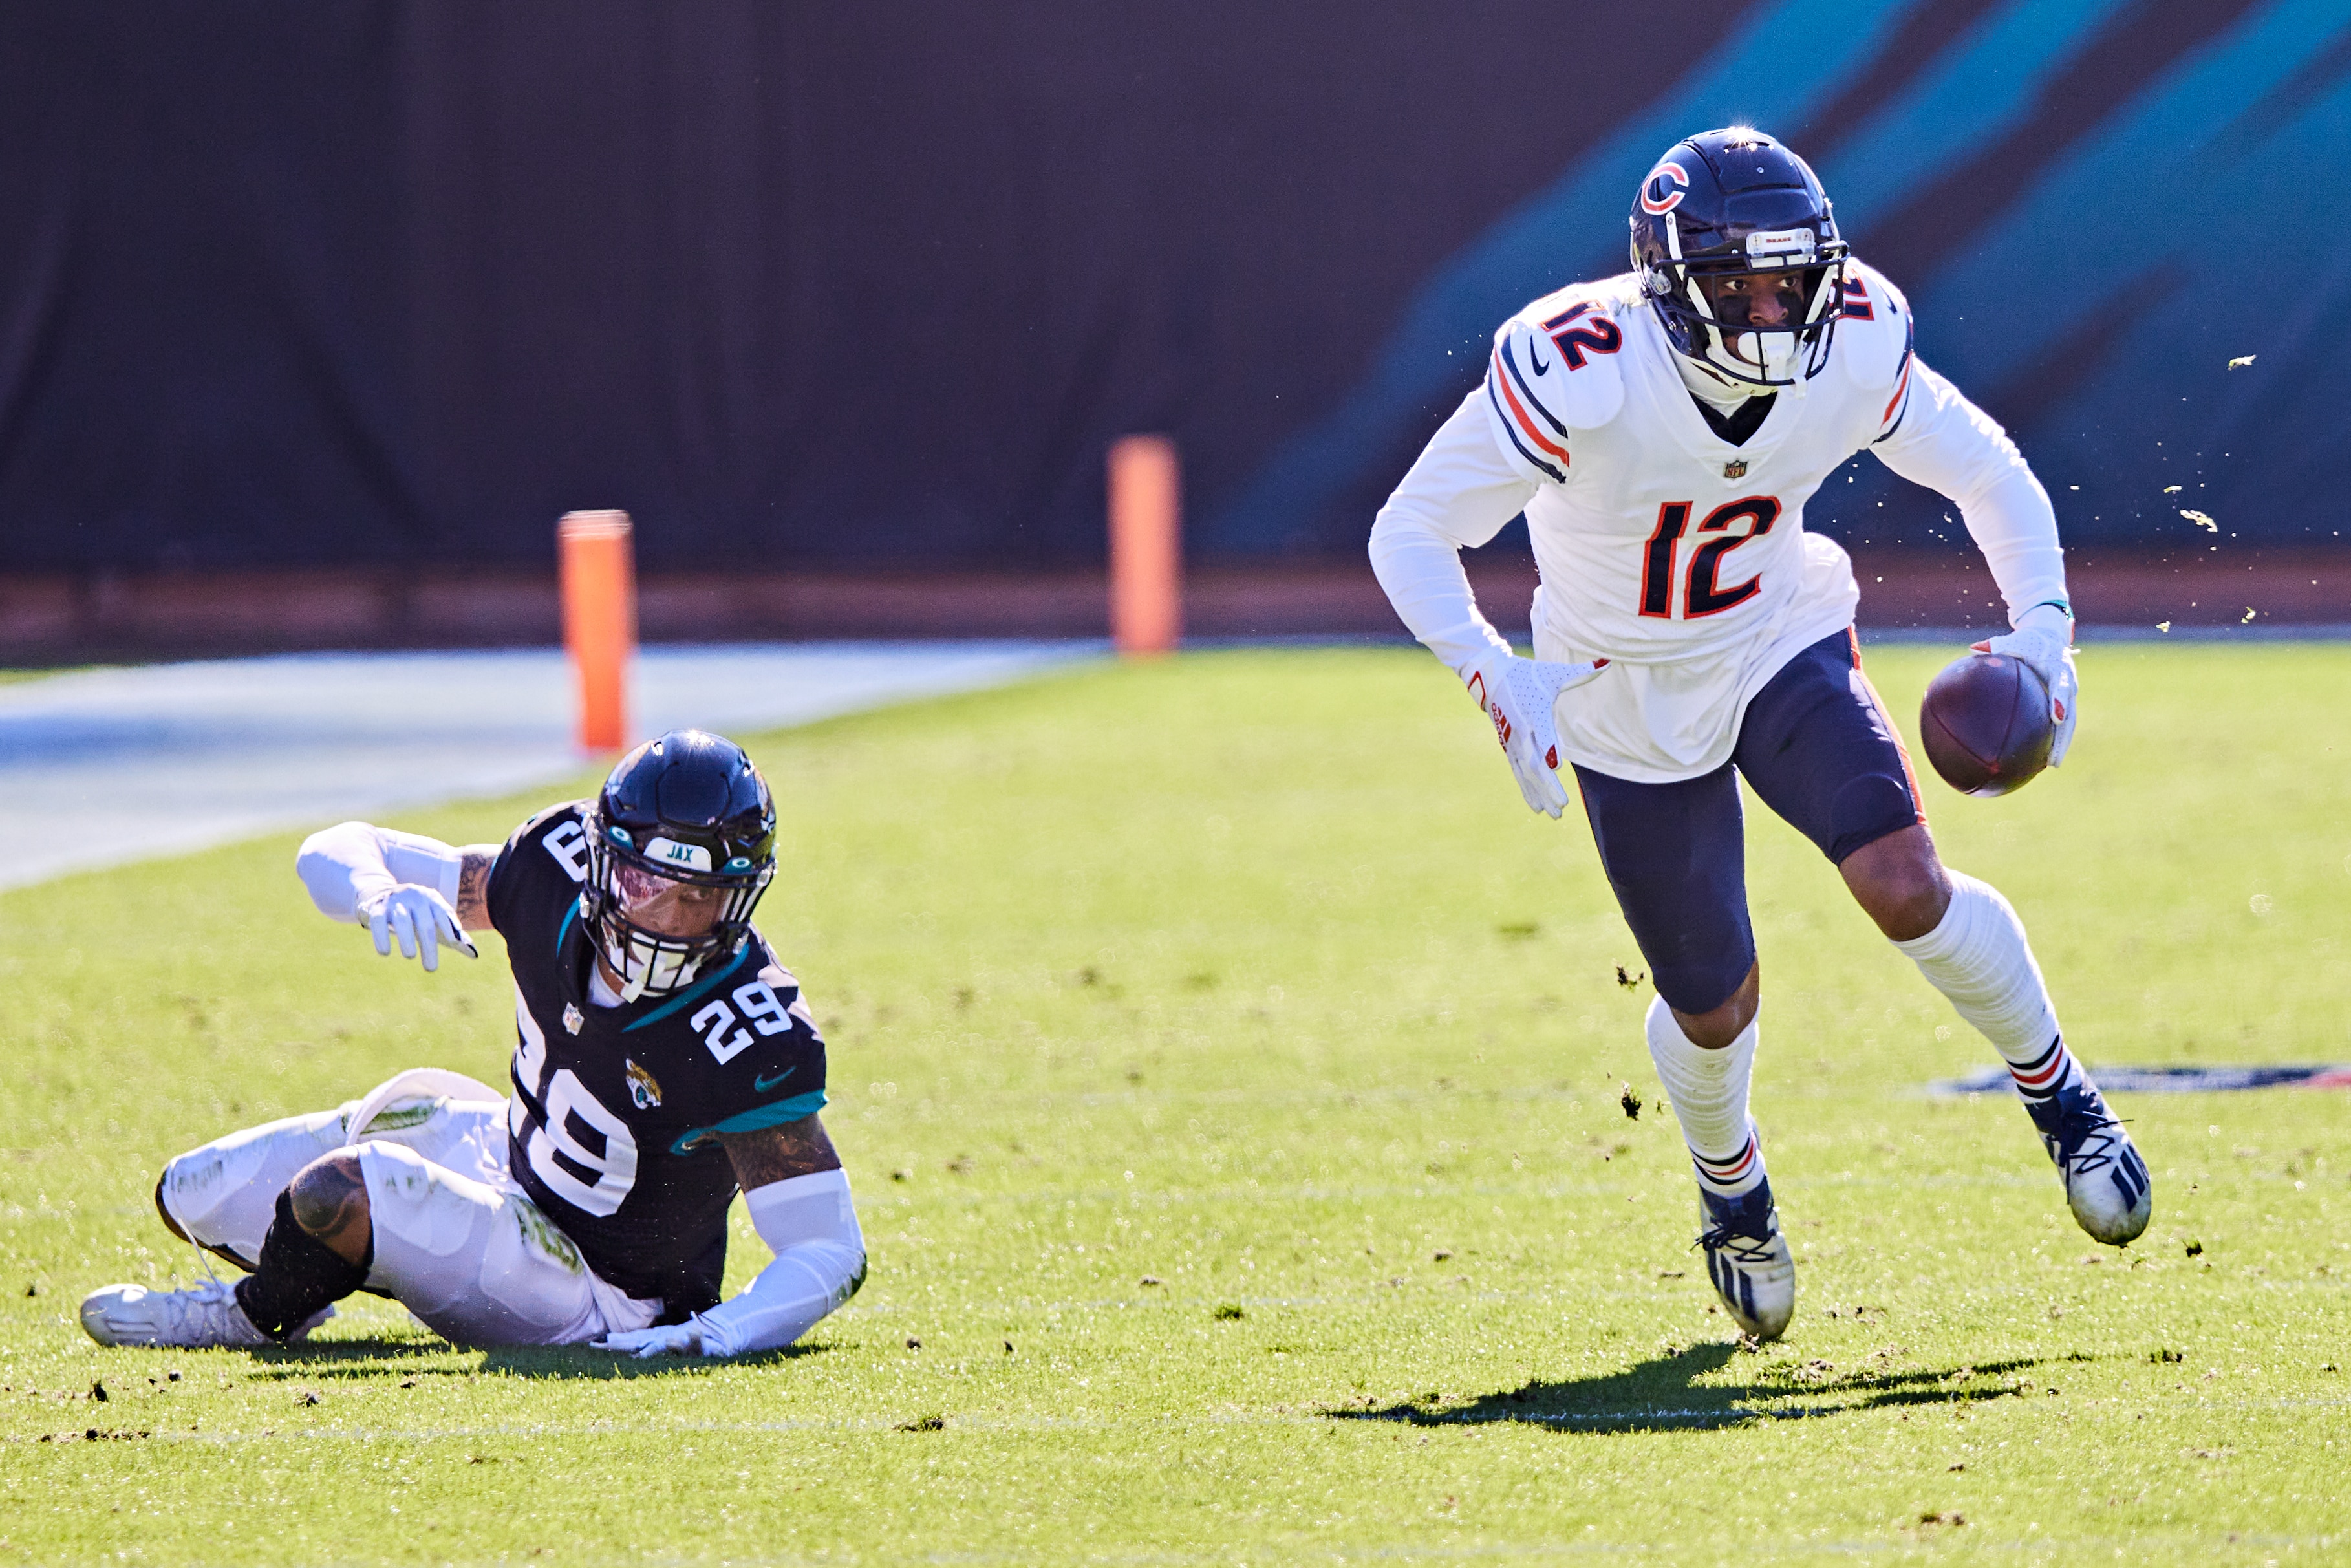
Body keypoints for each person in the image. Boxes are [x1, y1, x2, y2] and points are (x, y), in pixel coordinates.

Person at [1366, 127, 2149, 1342]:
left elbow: (1988, 472)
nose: (1781, 307)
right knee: (1713, 1005)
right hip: (1620, 690)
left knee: (1903, 881)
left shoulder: (1855, 337)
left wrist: (2044, 632)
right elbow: (1409, 530)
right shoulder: (1579, 362)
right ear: (1672, 284)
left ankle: (2065, 1099)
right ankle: (1733, 1188)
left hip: (1776, 636)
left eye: (1797, 277)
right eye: (1746, 283)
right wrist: (1487, 671)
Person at [80, 729, 866, 1358]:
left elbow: (829, 1248)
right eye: (643, 881)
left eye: (701, 896)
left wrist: (715, 1333)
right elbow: (341, 844)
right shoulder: (552, 868)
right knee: (188, 1194)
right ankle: (359, 1261)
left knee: (341, 1192)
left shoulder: (743, 1029)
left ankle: (248, 1317)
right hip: (508, 1158)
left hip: (600, 1287)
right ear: (601, 858)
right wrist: (375, 895)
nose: (666, 915)